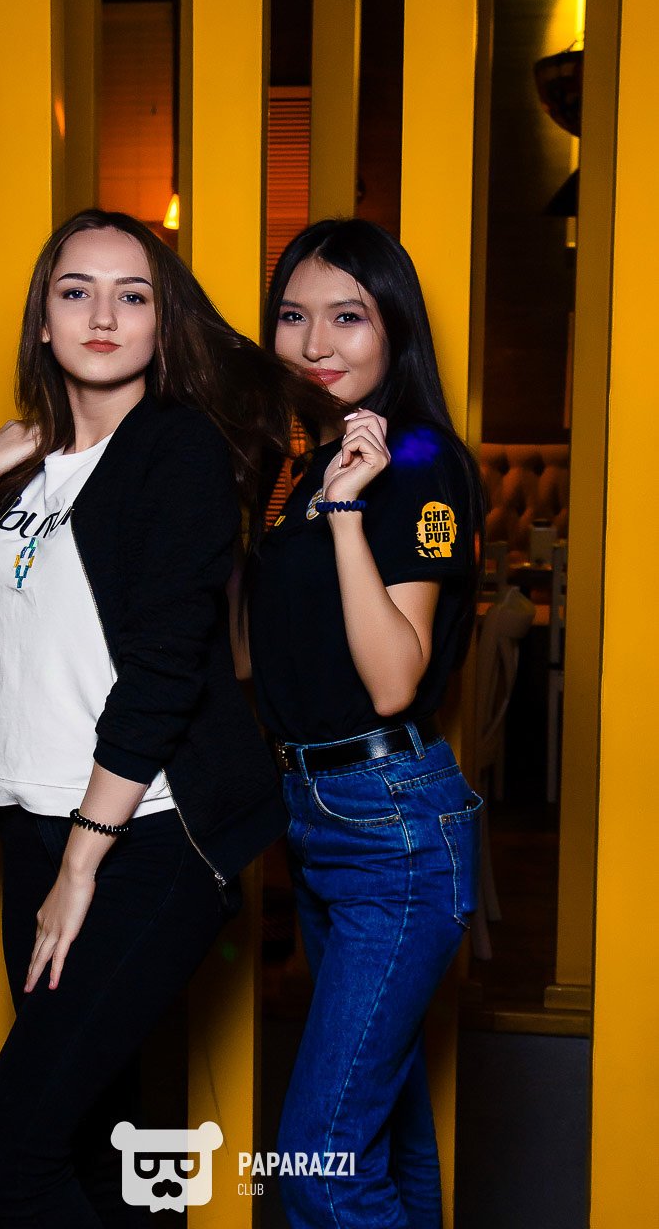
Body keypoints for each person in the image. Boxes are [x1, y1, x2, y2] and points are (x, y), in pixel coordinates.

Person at [0, 208, 333, 1228]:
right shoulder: (20, 472)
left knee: (8, 1152)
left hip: (144, 838)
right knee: (90, 1140)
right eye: (77, 292)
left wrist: (80, 866)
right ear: (42, 320)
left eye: (130, 295)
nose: (102, 316)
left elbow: (161, 675)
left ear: (160, 322)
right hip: (34, 825)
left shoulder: (176, 450)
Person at [246, 218, 486, 1228]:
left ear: (394, 327)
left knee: (319, 1164)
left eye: (346, 316)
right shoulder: (312, 464)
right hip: (323, 813)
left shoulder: (414, 458)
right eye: (292, 316)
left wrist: (346, 513)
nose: (314, 343)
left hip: (389, 824)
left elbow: (392, 680)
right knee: (381, 1134)